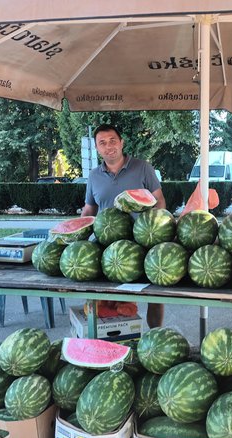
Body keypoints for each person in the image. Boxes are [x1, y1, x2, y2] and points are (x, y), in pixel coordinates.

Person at [80, 124, 166, 329]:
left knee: (155, 292)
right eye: (102, 143)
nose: (108, 146)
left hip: (143, 240)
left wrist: (153, 226)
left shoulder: (143, 167)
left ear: (121, 143)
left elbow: (159, 201)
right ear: (97, 148)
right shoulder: (94, 176)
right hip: (107, 244)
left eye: (112, 141)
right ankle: (115, 336)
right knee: (108, 295)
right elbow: (89, 209)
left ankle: (156, 334)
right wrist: (76, 233)